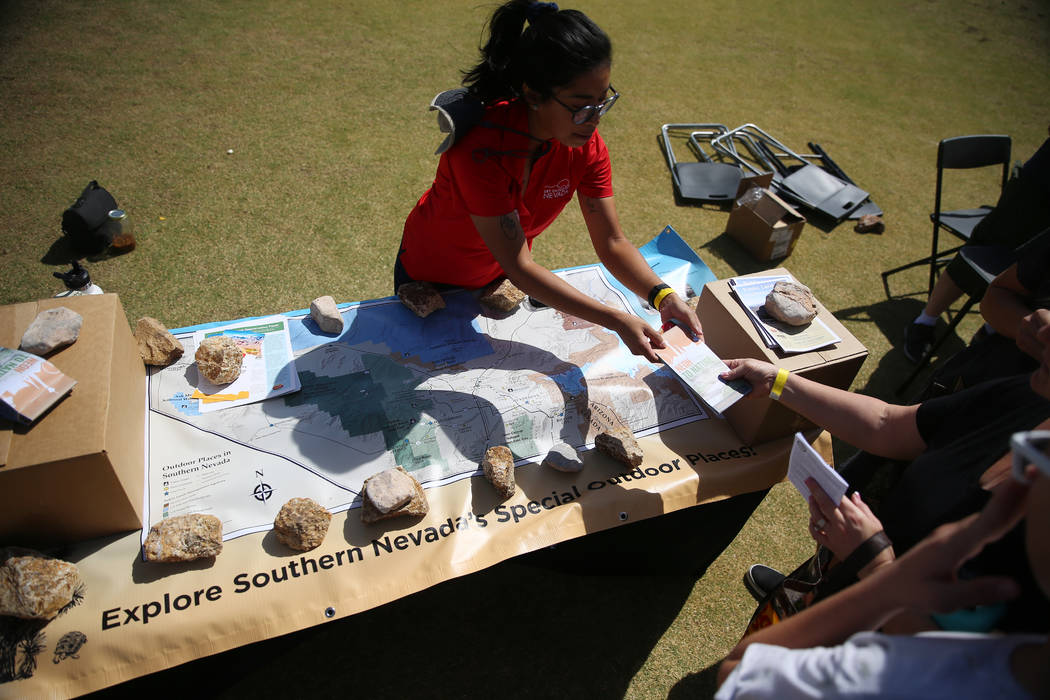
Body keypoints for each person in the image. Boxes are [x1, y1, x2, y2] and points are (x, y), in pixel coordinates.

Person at [394, 0, 701, 363]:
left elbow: (613, 241)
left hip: (494, 276)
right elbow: (520, 265)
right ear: (534, 93)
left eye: (603, 102)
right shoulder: (481, 151)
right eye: (581, 104)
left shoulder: (586, 148)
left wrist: (663, 296)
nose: (594, 119)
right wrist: (617, 320)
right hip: (430, 278)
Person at [721, 340, 1050, 633]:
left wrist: (871, 562)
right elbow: (888, 424)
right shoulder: (1030, 396)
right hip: (832, 589)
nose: (1043, 319)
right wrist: (777, 381)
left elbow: (970, 671)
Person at [715, 449, 1050, 698]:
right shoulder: (1019, 655)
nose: (1026, 474)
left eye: (1042, 455)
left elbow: (741, 674)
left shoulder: (912, 679)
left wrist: (884, 576)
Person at [903, 130, 1050, 363]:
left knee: (1037, 286)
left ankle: (989, 335)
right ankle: (925, 320)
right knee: (978, 253)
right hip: (1038, 191)